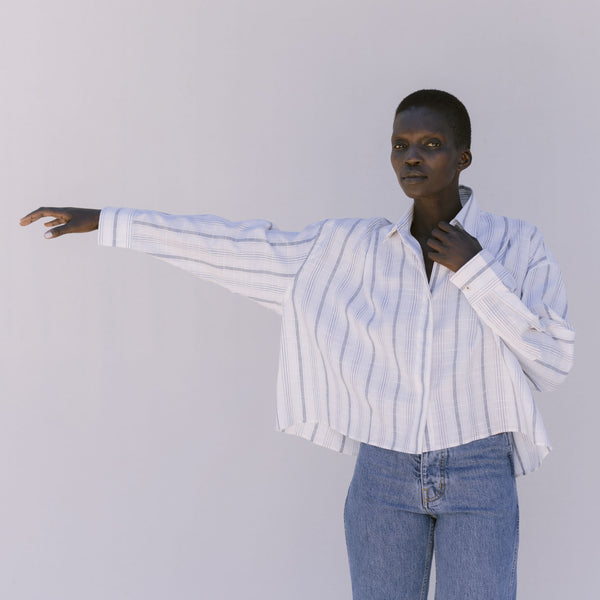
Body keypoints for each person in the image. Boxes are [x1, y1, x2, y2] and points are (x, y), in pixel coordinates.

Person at [20, 90, 575, 599]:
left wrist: (476, 270)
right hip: (383, 474)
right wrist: (109, 221)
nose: (412, 158)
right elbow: (237, 246)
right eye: (400, 146)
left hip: (480, 470)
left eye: (430, 145)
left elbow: (551, 361)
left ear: (462, 158)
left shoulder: (517, 245)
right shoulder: (348, 249)